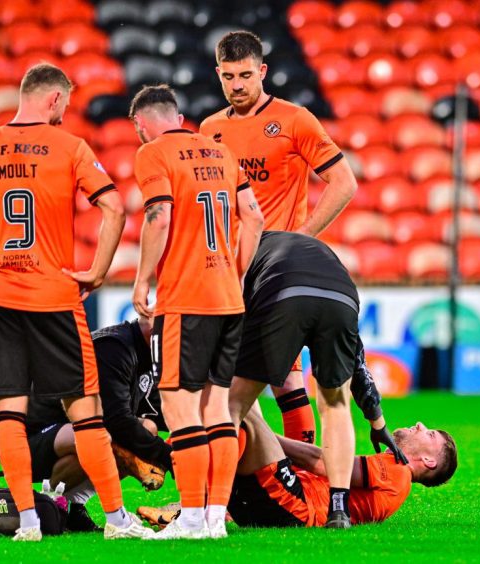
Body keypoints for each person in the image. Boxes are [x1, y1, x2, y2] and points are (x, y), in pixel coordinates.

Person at [0, 63, 152, 541]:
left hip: (1, 298)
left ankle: (27, 522)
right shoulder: (68, 147)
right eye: (64, 102)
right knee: (85, 412)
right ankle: (115, 519)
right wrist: (98, 271)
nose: (65, 111)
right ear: (53, 99)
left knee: (10, 413)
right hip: (54, 297)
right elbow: (113, 206)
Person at [200, 30, 359, 447]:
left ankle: (299, 474)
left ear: (263, 71)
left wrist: (300, 239)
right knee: (223, 381)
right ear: (218, 74)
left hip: (277, 270)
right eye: (229, 76)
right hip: (230, 269)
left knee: (284, 380)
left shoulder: (293, 119)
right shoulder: (209, 129)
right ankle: (246, 478)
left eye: (246, 75)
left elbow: (343, 182)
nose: (237, 85)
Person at [130, 84, 265, 539]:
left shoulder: (153, 153)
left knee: (179, 405)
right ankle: (213, 519)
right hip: (229, 297)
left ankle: (189, 519)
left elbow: (159, 216)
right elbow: (255, 216)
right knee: (218, 408)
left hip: (186, 299)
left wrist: (142, 278)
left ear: (141, 124)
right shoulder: (218, 152)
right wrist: (237, 271)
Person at [227, 230, 380, 528]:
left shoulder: (237, 248)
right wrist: (377, 421)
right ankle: (339, 510)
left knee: (233, 404)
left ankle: (210, 505)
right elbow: (358, 359)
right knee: (335, 405)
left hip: (284, 291)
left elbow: (229, 317)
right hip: (343, 296)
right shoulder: (305, 246)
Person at [25, 317, 172, 530]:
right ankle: (48, 503)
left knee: (145, 429)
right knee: (96, 436)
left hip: (78, 430)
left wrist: (190, 440)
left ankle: (75, 505)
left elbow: (159, 412)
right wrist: (166, 457)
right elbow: (116, 420)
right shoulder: (113, 348)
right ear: (154, 332)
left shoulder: (142, 352)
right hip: (36, 437)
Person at [226, 407, 458, 528]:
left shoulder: (398, 472)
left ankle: (202, 501)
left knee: (239, 406)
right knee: (238, 416)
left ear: (429, 461)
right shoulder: (397, 481)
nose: (420, 425)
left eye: (429, 434)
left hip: (295, 505)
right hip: (285, 503)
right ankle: (214, 500)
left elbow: (320, 462)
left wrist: (268, 437)